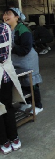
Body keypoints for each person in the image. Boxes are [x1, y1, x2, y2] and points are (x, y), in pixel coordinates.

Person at [3, 8, 43, 113]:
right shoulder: (6, 29)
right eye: (4, 14)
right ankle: (26, 102)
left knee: (31, 84)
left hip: (28, 60)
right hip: (15, 60)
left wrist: (9, 48)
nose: (5, 16)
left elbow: (25, 49)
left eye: (8, 14)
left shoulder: (23, 30)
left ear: (17, 17)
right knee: (18, 83)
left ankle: (38, 106)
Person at [0, 23, 25, 155]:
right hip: (7, 75)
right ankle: (14, 139)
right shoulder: (5, 28)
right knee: (8, 107)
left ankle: (4, 142)